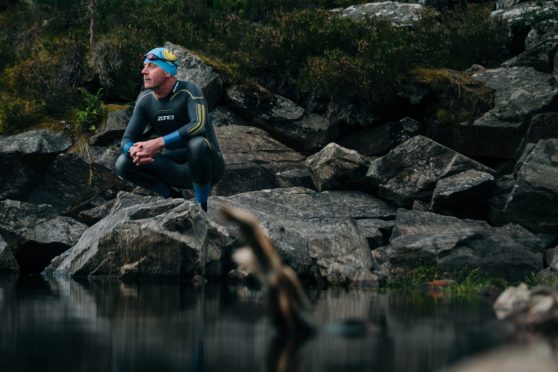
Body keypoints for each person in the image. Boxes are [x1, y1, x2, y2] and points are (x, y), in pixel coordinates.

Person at [115, 47, 225, 212]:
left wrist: (159, 143)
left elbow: (198, 125)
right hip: (173, 168)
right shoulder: (145, 102)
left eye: (151, 66)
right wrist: (133, 150)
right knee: (123, 163)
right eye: (144, 66)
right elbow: (126, 140)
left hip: (208, 167)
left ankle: (202, 208)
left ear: (168, 72)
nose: (144, 71)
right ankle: (173, 199)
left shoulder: (190, 91)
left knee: (198, 144)